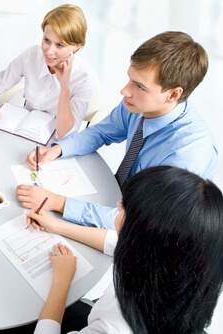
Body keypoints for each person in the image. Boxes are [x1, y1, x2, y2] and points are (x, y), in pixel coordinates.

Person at [17, 31, 218, 252]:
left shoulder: (187, 155)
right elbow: (101, 132)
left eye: (139, 86)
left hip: (145, 243)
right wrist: (57, 149)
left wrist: (59, 203)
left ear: (172, 95)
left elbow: (138, 222)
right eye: (130, 79)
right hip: (116, 200)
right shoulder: (139, 105)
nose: (125, 91)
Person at [28, 166, 223, 333]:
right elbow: (116, 241)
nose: (118, 204)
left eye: (125, 209)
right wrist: (57, 226)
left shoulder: (113, 325)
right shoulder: (185, 269)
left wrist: (61, 281)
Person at [0, 4, 95, 139]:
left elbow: (65, 134)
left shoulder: (84, 76)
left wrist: (64, 86)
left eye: (59, 45)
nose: (49, 51)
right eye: (46, 40)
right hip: (22, 133)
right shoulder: (31, 55)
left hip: (52, 141)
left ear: (77, 46)